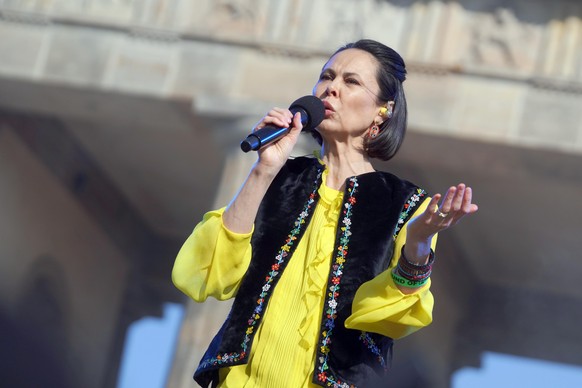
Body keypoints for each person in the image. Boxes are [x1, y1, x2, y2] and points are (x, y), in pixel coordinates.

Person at [172, 39, 478, 388]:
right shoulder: (277, 177)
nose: (331, 88)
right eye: (326, 77)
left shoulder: (406, 205)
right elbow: (212, 274)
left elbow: (392, 316)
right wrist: (264, 169)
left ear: (383, 110)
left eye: (351, 81)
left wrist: (419, 242)